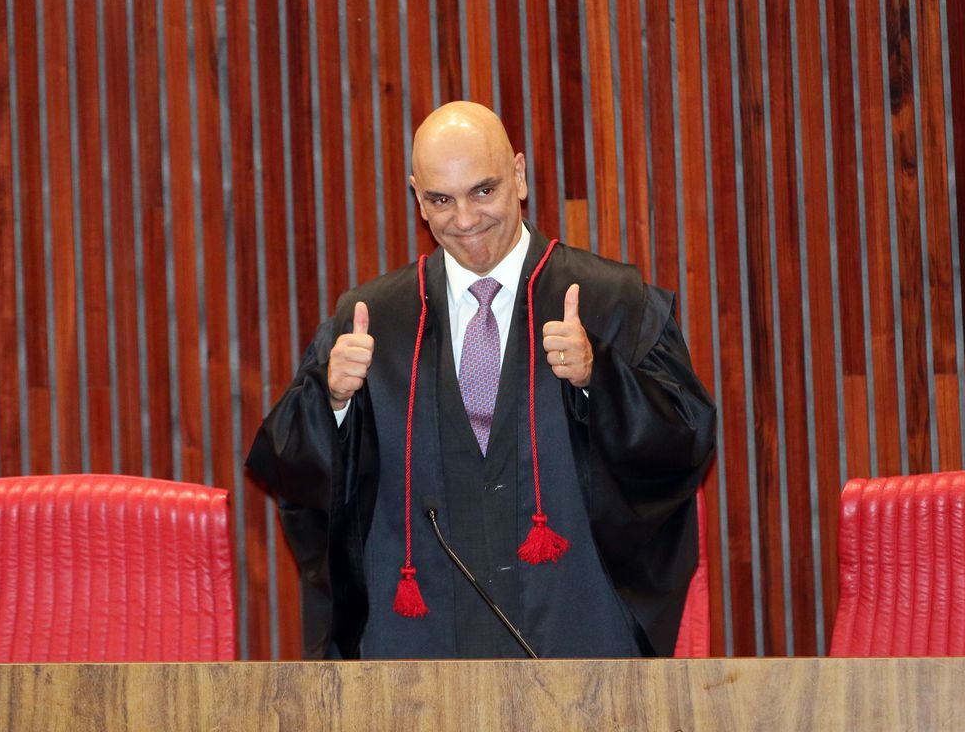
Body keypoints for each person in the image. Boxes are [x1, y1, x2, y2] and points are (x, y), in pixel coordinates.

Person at [246, 101, 716, 659]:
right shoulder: (372, 319)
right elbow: (291, 470)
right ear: (417, 196)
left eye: (483, 191)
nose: (465, 219)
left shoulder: (614, 302)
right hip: (417, 648)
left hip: (575, 635)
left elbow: (684, 444)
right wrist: (332, 402)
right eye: (441, 200)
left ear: (519, 176)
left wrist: (602, 378)